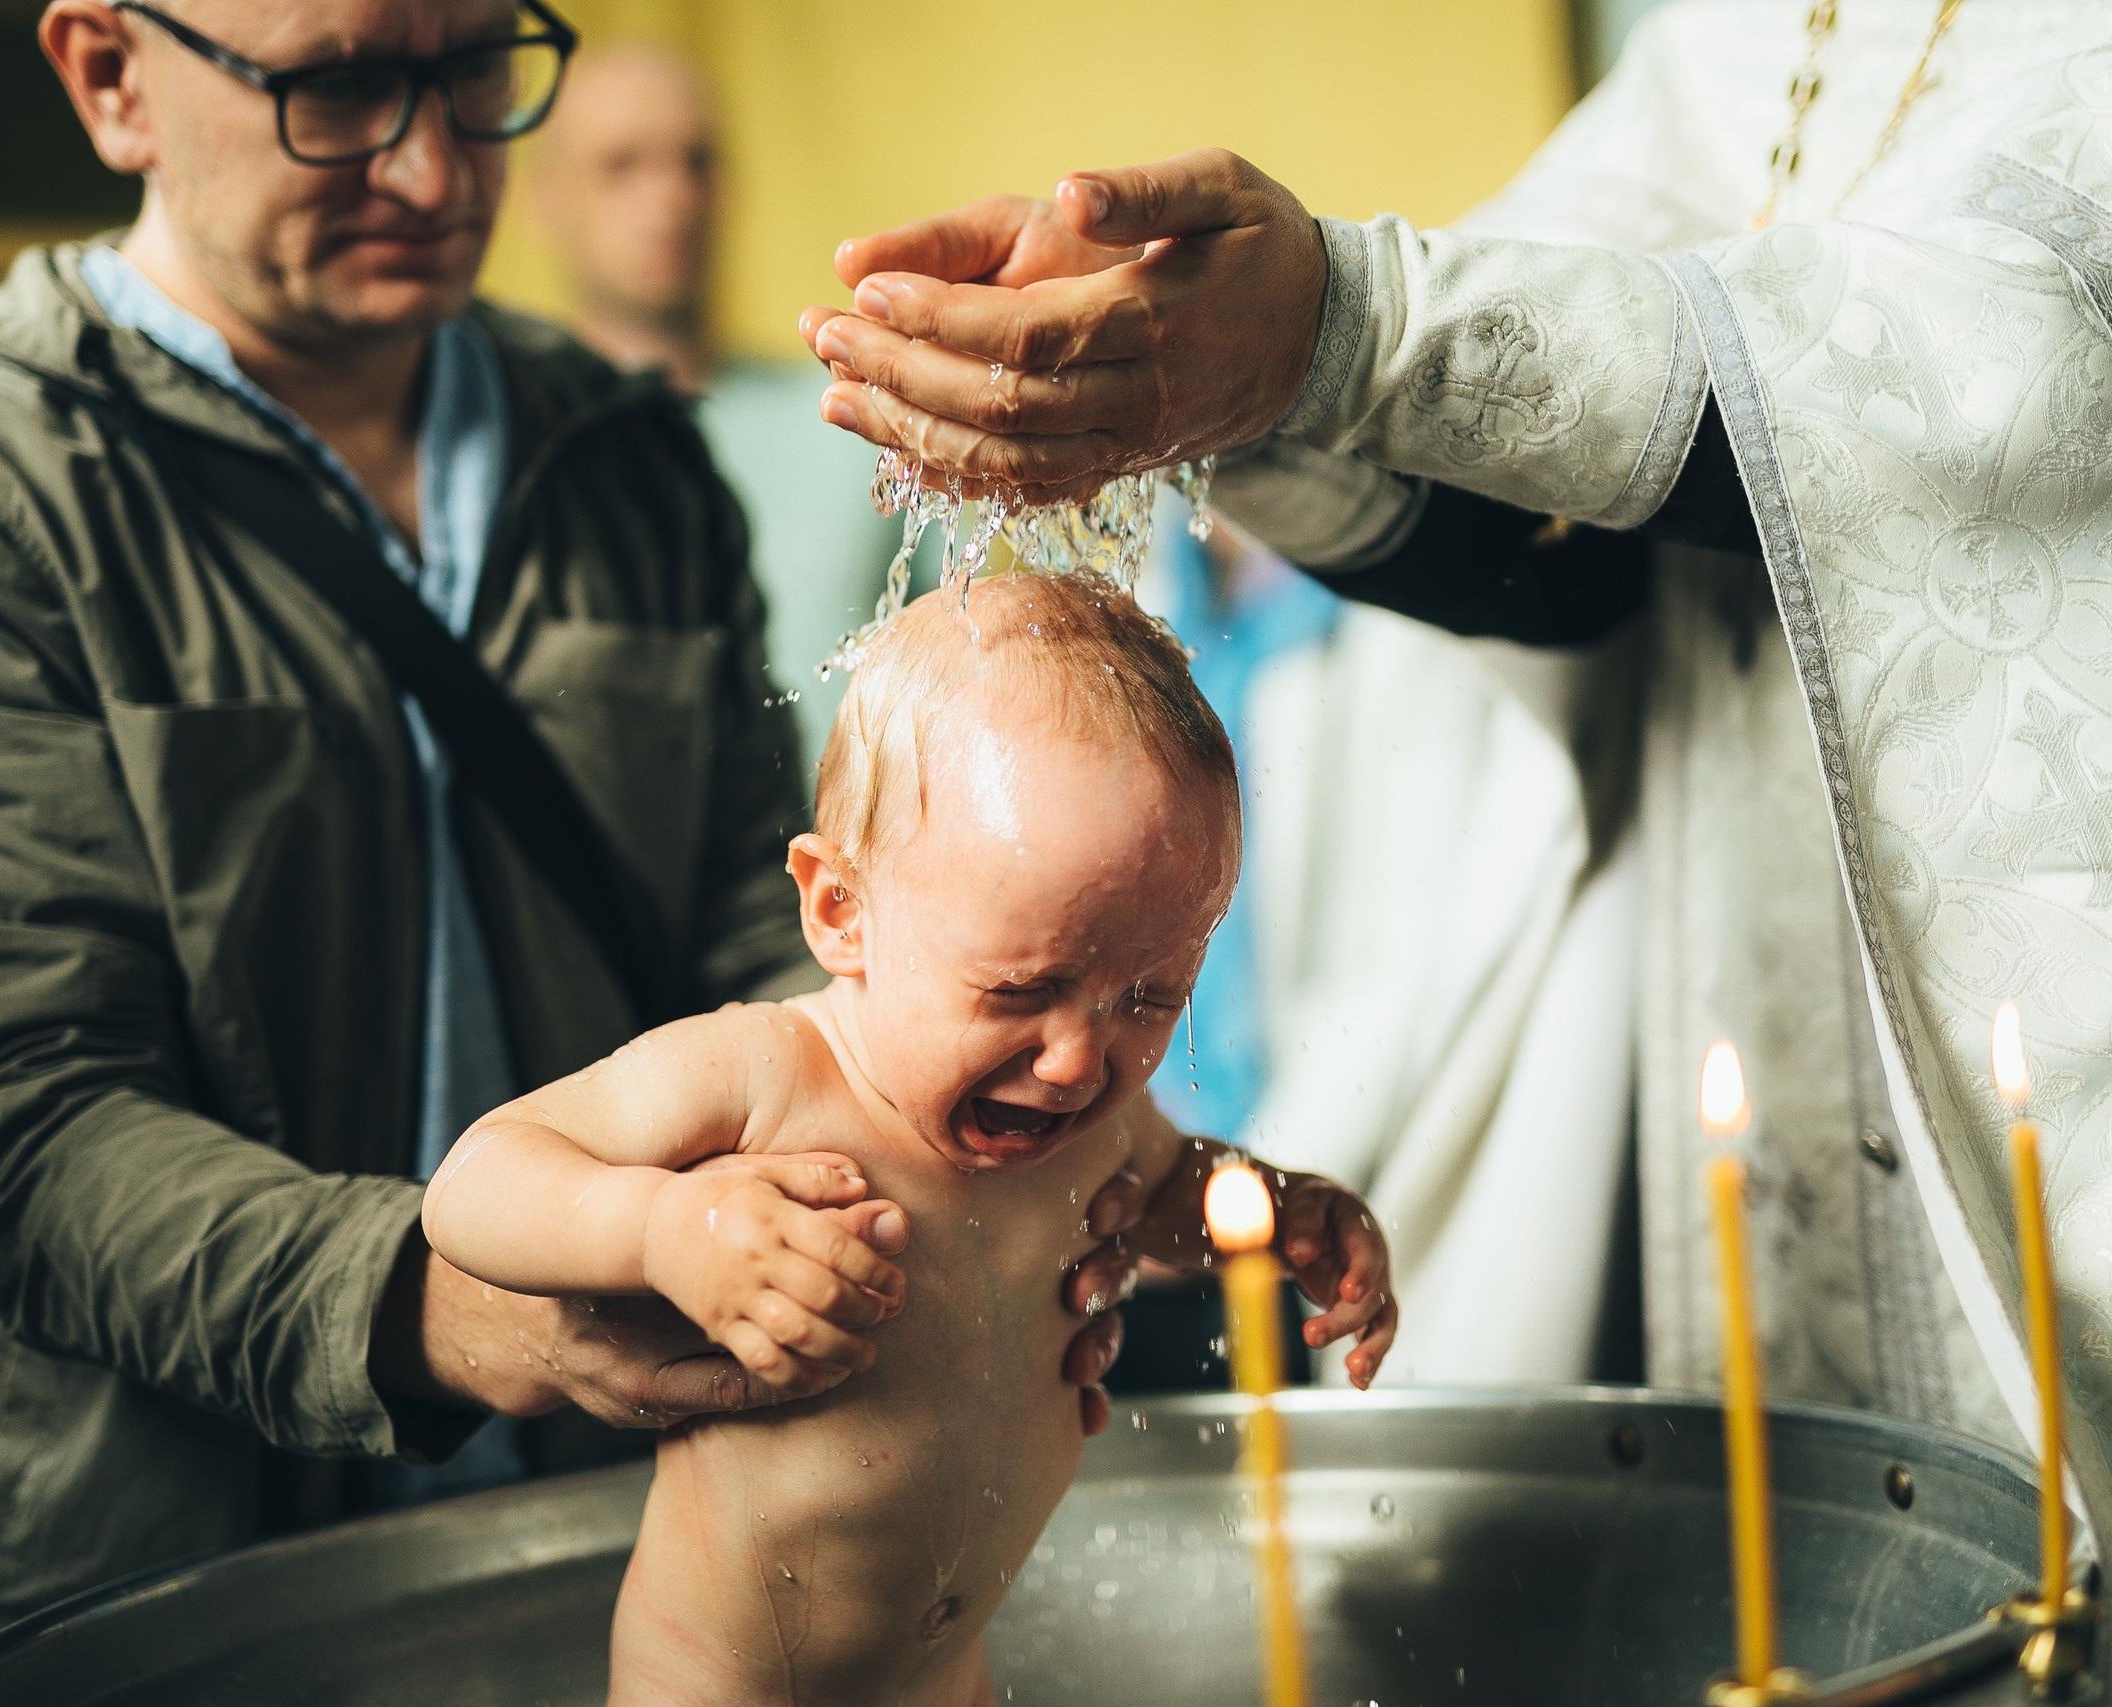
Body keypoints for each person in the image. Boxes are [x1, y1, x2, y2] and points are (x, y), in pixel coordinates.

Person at [801, 3, 2112, 1698]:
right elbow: (1564, 533)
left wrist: (1346, 329)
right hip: (1761, 1045)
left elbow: (1995, 389)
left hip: (2111, 1057)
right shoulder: (1751, 40)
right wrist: (1206, 365)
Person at [0, 0, 1130, 1682]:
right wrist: (464, 1308)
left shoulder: (624, 461)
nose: (430, 162)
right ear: (112, 80)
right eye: (335, 87)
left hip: (640, 1536)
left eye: (477, 70)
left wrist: (1024, 1118)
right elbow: (11, 1119)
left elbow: (751, 936)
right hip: (165, 1574)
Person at [422, 568, 1395, 1706]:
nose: (1080, 1060)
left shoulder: (1088, 1124)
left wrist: (1290, 1212)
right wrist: (665, 1227)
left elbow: (1180, 1187)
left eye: (1149, 997)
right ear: (841, 911)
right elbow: (476, 1181)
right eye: (1023, 986)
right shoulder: (764, 1076)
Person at [534, 42, 899, 762]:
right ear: (545, 198)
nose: (670, 197)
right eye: (622, 165)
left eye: (695, 162)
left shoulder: (850, 417)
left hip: (848, 860)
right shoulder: (512, 449)